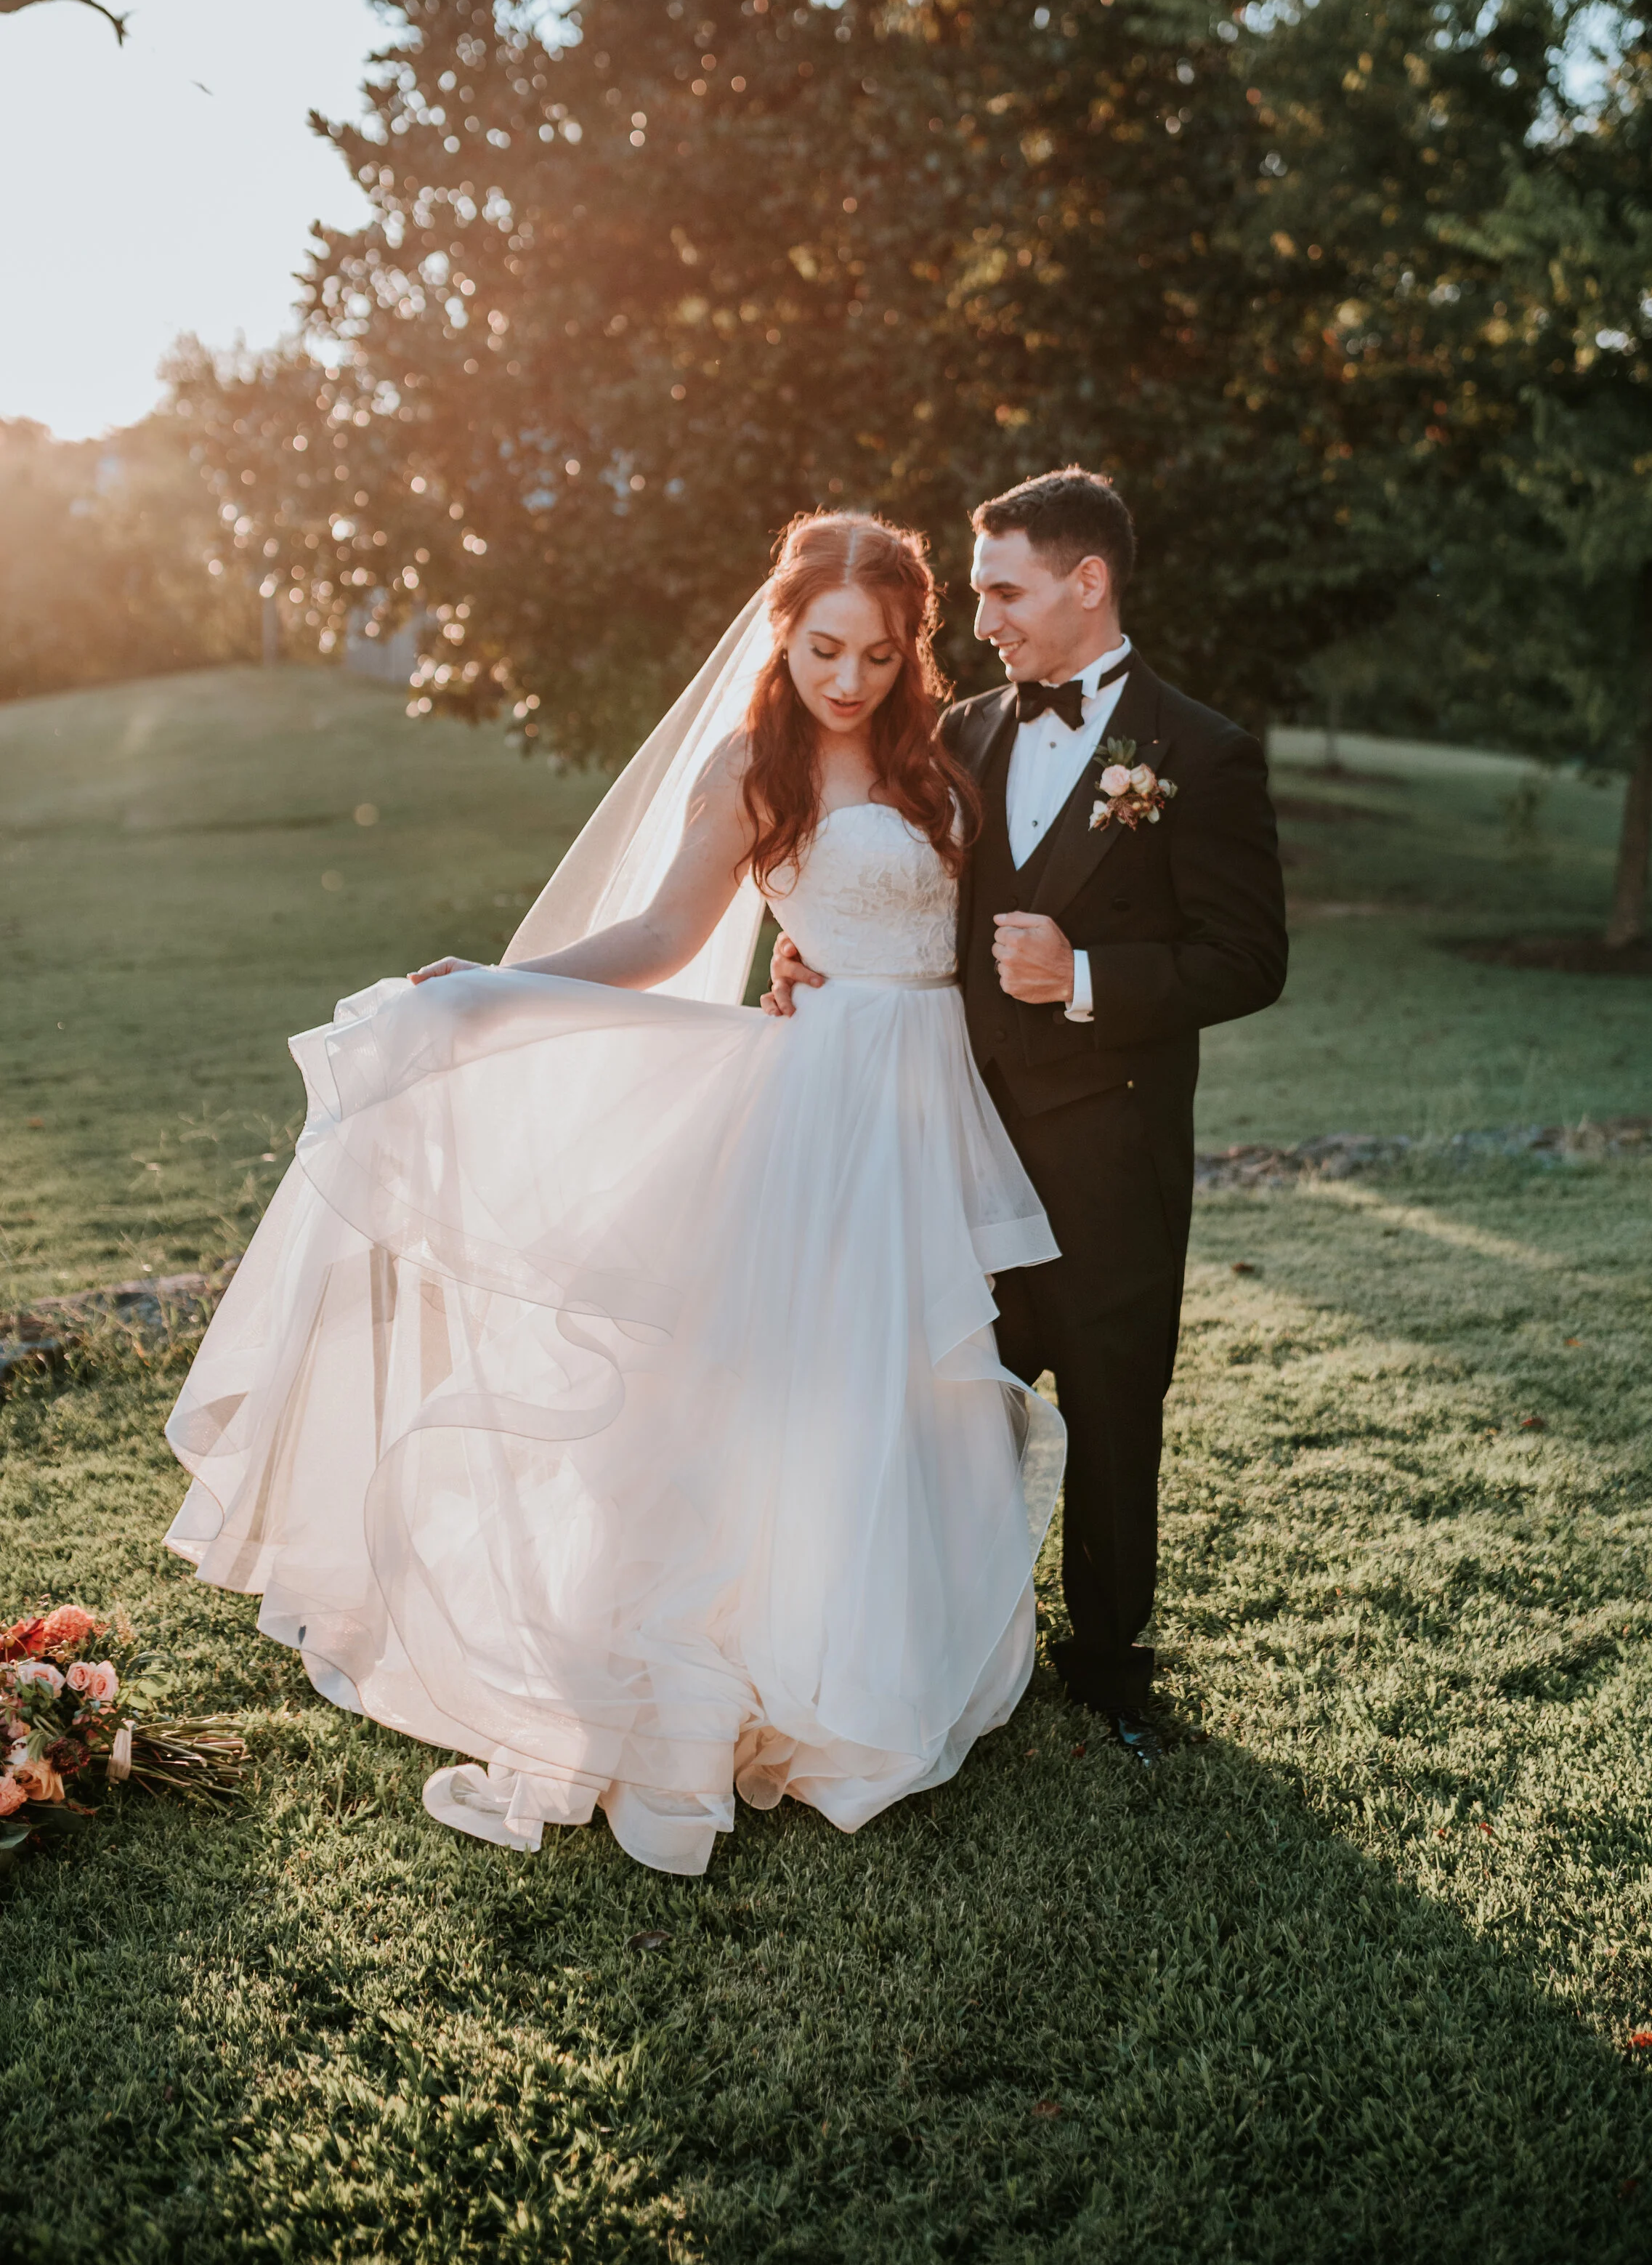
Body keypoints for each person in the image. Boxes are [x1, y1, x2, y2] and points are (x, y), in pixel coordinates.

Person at [163, 514, 1064, 1876]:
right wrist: (494, 992)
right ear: (783, 631)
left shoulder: (939, 754)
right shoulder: (751, 768)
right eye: (825, 648)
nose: (848, 679)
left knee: (900, 1378)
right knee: (791, 1382)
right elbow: (664, 937)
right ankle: (745, 1671)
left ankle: (880, 1642)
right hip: (823, 1110)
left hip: (931, 1091)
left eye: (878, 655)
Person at [770, 469, 1287, 1762]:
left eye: (1001, 588)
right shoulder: (957, 739)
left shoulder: (1202, 752)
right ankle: (952, 1640)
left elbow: (1250, 958)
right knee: (952, 1396)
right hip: (947, 1142)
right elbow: (897, 897)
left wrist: (1092, 980)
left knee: (1117, 1404)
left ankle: (1110, 1665)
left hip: (1111, 1147)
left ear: (1085, 582)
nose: (982, 617)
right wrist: (803, 957)